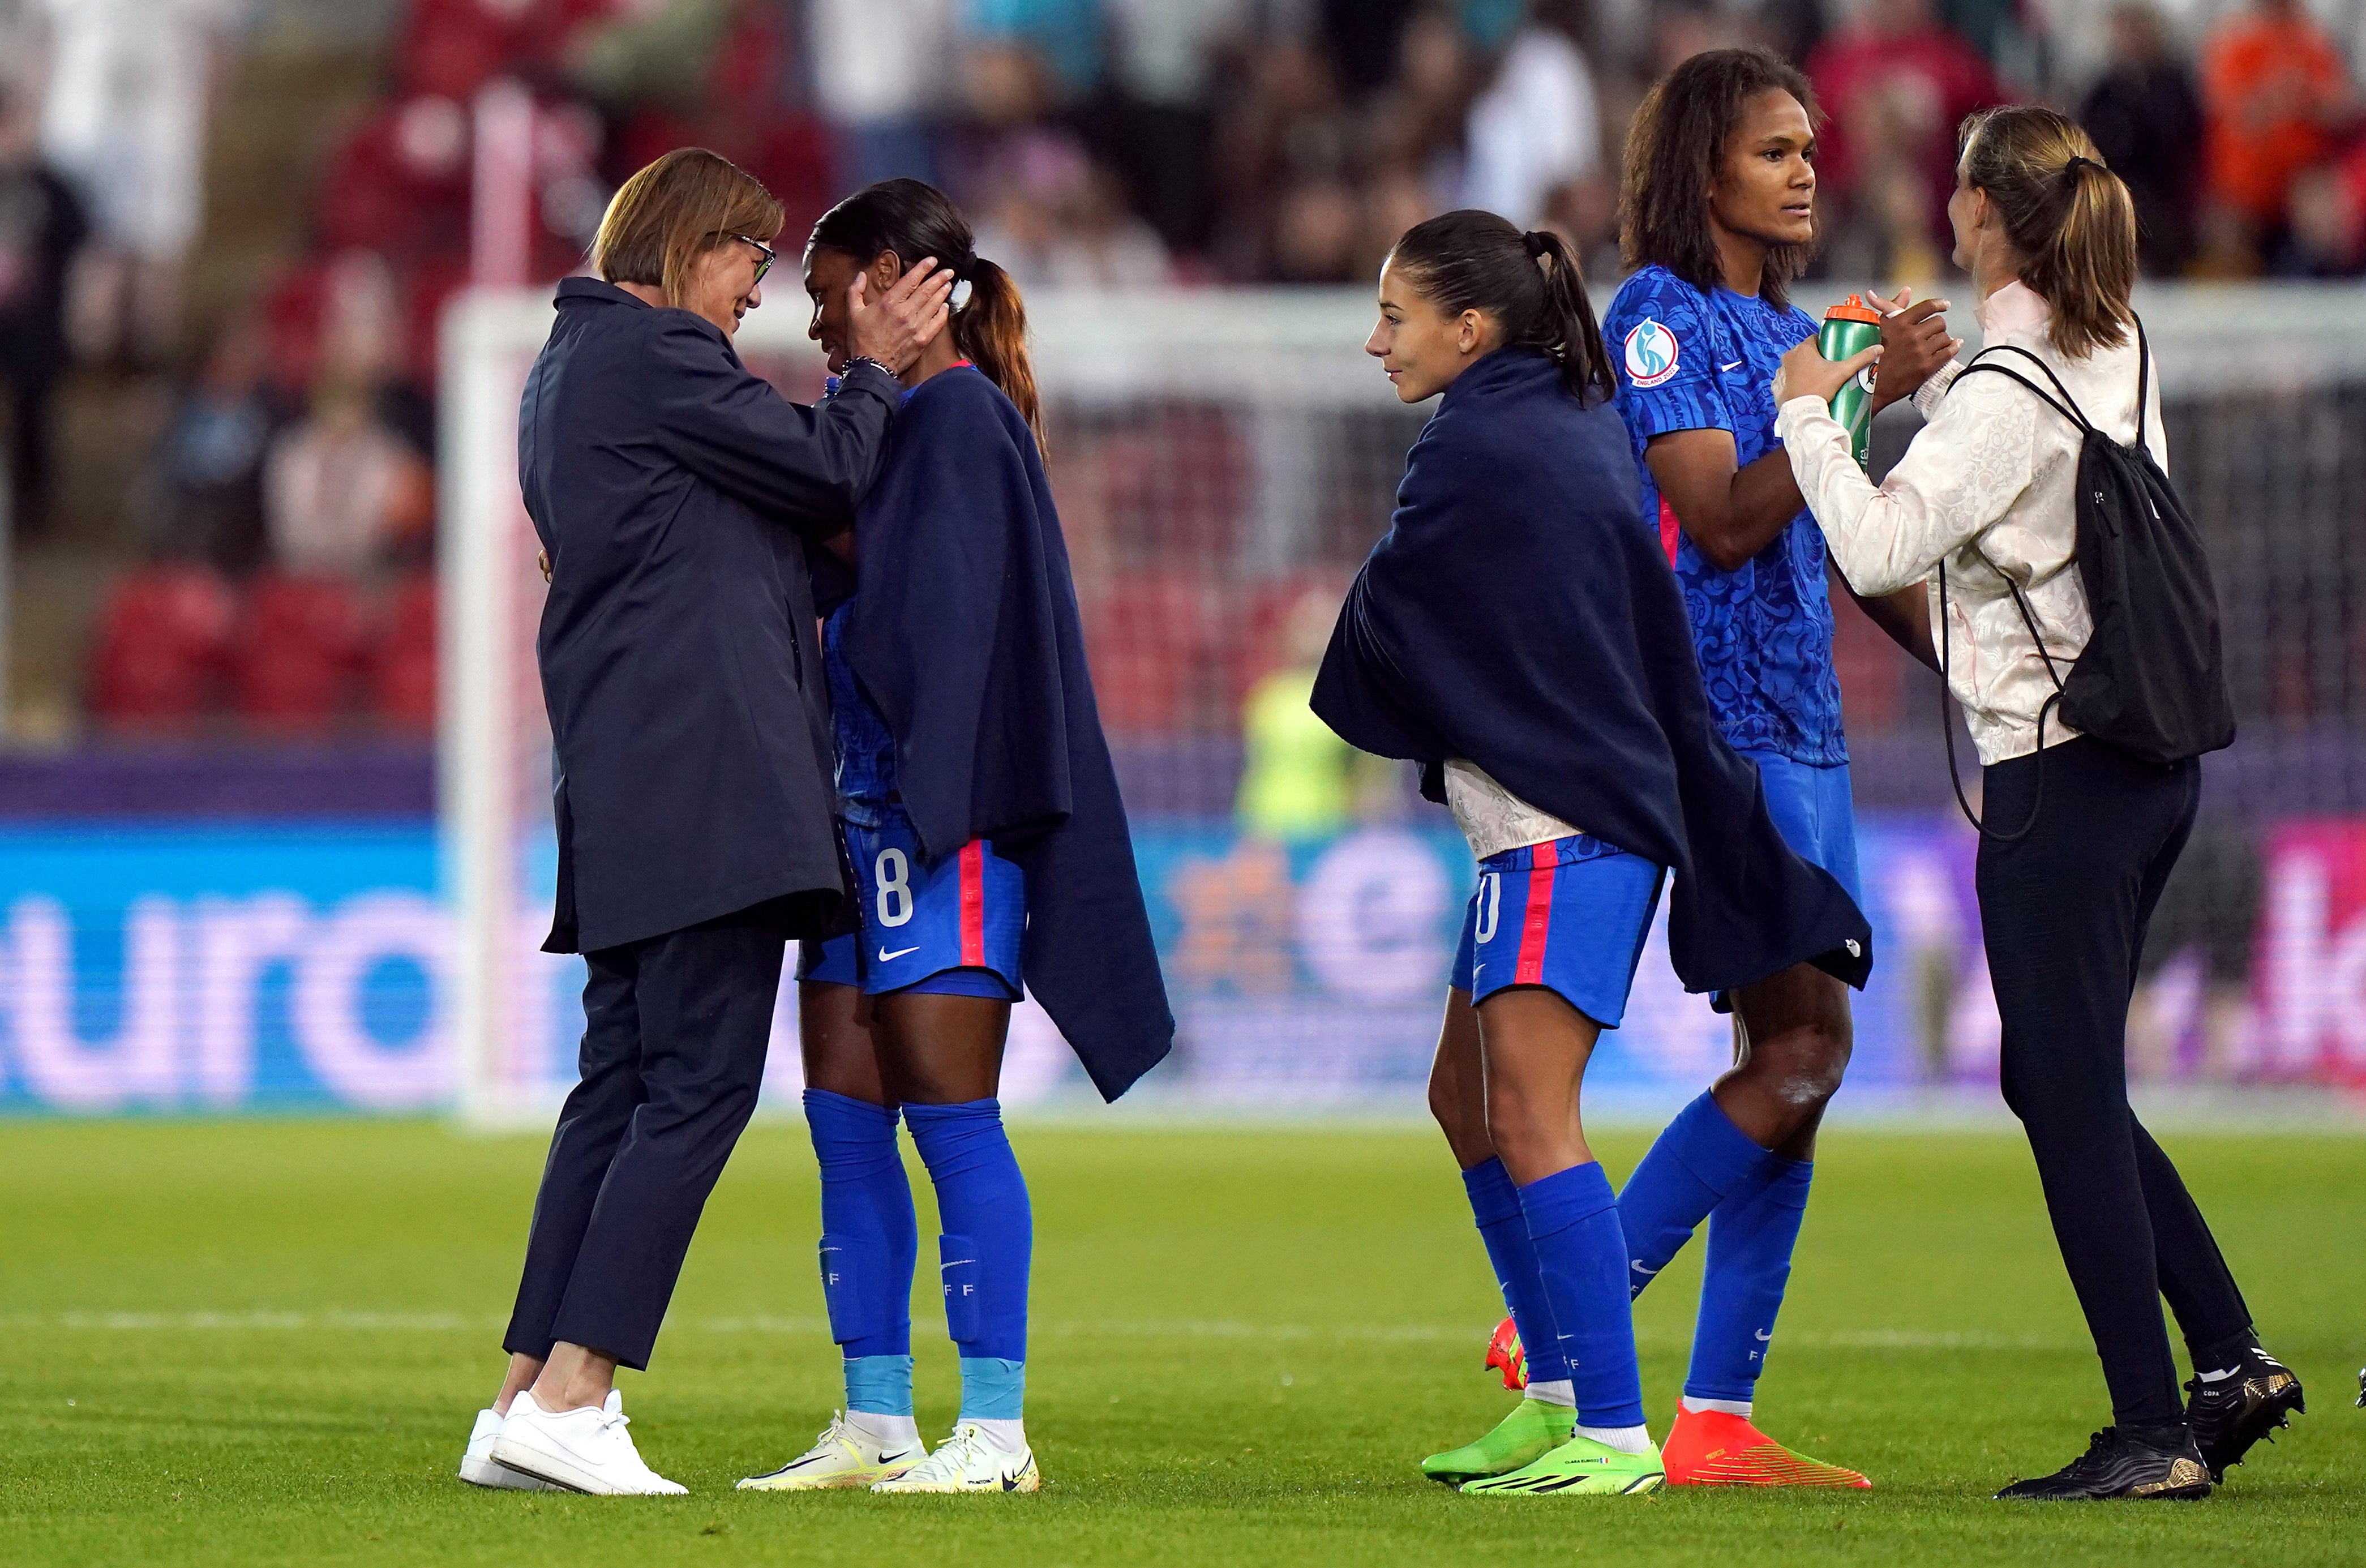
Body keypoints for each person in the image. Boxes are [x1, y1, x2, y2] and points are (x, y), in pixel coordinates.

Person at [1772, 105, 2304, 1500]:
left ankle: (2149, 1429)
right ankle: (2229, 1358)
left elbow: (1885, 534)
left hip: (2055, 780)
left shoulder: (2005, 385)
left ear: (1981, 217)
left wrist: (1806, 413)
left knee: (2062, 1091)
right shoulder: (2108, 341)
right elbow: (2024, 495)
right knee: (2055, 1077)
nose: (1940, 207)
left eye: (1955, 189)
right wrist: (1916, 399)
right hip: (2148, 763)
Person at [1314, 208, 1871, 1500]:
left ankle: (1610, 1430)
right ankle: (1560, 1395)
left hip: (1557, 825)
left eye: (1393, 317)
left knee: (1527, 1111)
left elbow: (1381, 620)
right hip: (1561, 811)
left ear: (1470, 326)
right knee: (1468, 1098)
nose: (1371, 341)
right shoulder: (1545, 419)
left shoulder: (1486, 439)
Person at [458, 148, 954, 1497]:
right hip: (707, 780)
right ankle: (578, 1391)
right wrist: (874, 369)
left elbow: (739, 532)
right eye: (747, 253)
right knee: (693, 1089)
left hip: (626, 779)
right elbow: (822, 467)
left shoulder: (565, 373)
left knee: (616, 1085)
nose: (758, 286)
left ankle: (516, 1399)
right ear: (686, 244)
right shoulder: (655, 358)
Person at [735, 178, 1171, 1497]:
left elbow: (952, 639)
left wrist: (922, 810)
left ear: (895, 285)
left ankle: (994, 1429)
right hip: (850, 815)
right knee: (845, 1120)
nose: (814, 327)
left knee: (949, 1114)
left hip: (934, 825)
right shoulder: (889, 420)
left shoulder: (965, 422)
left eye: (825, 297)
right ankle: (876, 1417)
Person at [1595, 46, 1954, 1490]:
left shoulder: (1801, 332)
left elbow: (1843, 541)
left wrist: (1976, 671)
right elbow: (1724, 520)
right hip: (1716, 732)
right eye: (1772, 150)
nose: (1806, 168)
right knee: (1805, 1048)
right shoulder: (1655, 319)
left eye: (1808, 147)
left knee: (1791, 1068)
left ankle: (1714, 1416)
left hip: (1807, 726)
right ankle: (1575, 1296)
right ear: (1701, 175)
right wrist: (1841, 387)